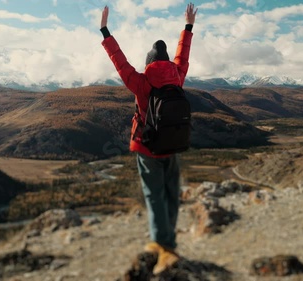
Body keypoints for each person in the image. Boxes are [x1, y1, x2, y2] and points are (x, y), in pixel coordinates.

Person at [100, 3, 197, 275]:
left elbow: (119, 62)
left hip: (147, 147)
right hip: (173, 144)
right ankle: (169, 242)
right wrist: (188, 27)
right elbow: (183, 54)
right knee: (170, 195)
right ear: (165, 61)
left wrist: (105, 30)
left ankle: (162, 244)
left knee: (154, 196)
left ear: (149, 63)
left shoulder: (141, 82)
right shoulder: (177, 77)